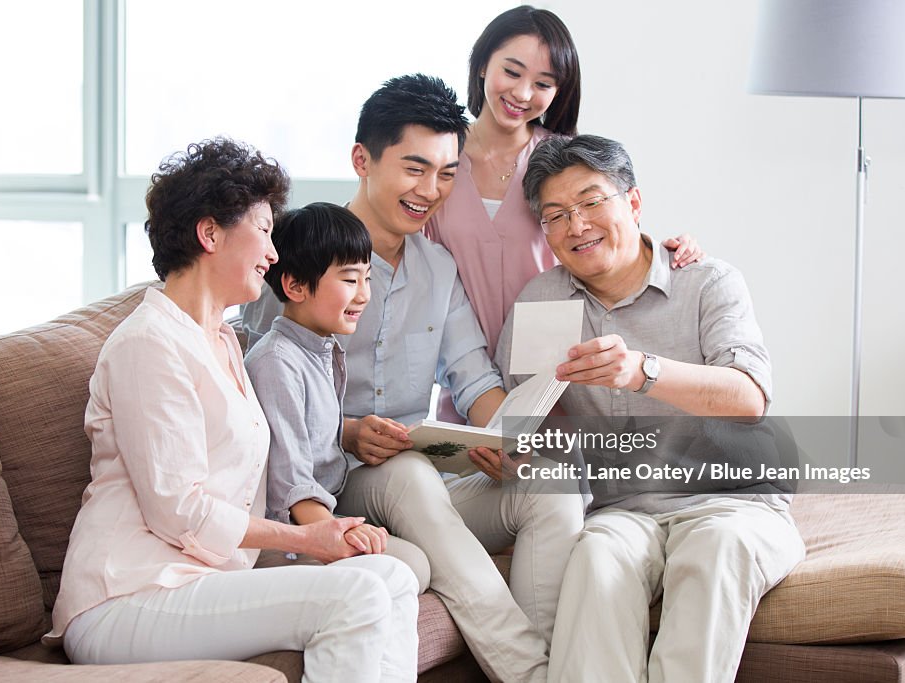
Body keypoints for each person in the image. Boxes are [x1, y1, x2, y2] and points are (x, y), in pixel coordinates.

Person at [243, 75, 584, 683]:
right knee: (408, 476)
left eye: (447, 174)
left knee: (550, 485)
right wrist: (346, 432)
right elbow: (256, 394)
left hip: (417, 476)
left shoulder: (438, 267)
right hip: (332, 485)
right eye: (414, 168)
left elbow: (474, 378)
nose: (430, 191)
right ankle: (532, 674)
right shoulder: (296, 258)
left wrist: (506, 437)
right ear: (362, 160)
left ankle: (549, 658)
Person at [45, 139, 419, 683]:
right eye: (265, 231)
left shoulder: (222, 340)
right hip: (128, 594)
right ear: (210, 233)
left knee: (395, 578)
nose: (273, 254)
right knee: (357, 592)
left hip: (199, 578)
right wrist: (304, 539)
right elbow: (178, 510)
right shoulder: (147, 344)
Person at [494, 134, 806, 682]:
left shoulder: (706, 281)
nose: (577, 225)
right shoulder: (543, 302)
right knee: (594, 560)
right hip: (624, 510)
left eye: (592, 202)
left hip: (734, 503)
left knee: (714, 551)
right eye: (556, 215)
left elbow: (749, 396)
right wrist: (520, 442)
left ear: (633, 202)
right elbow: (529, 420)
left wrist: (643, 372)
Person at [425, 5, 702, 422]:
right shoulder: (437, 158)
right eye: (512, 72)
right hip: (463, 378)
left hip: (556, 378)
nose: (522, 94)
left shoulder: (559, 161)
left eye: (543, 83)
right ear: (483, 65)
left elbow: (606, 231)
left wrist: (673, 249)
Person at [244, 202, 431, 592]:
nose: (364, 295)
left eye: (367, 278)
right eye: (349, 280)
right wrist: (333, 533)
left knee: (416, 544)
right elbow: (290, 484)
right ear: (295, 286)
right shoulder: (276, 362)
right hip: (297, 527)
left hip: (330, 502)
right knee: (412, 565)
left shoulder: (322, 349)